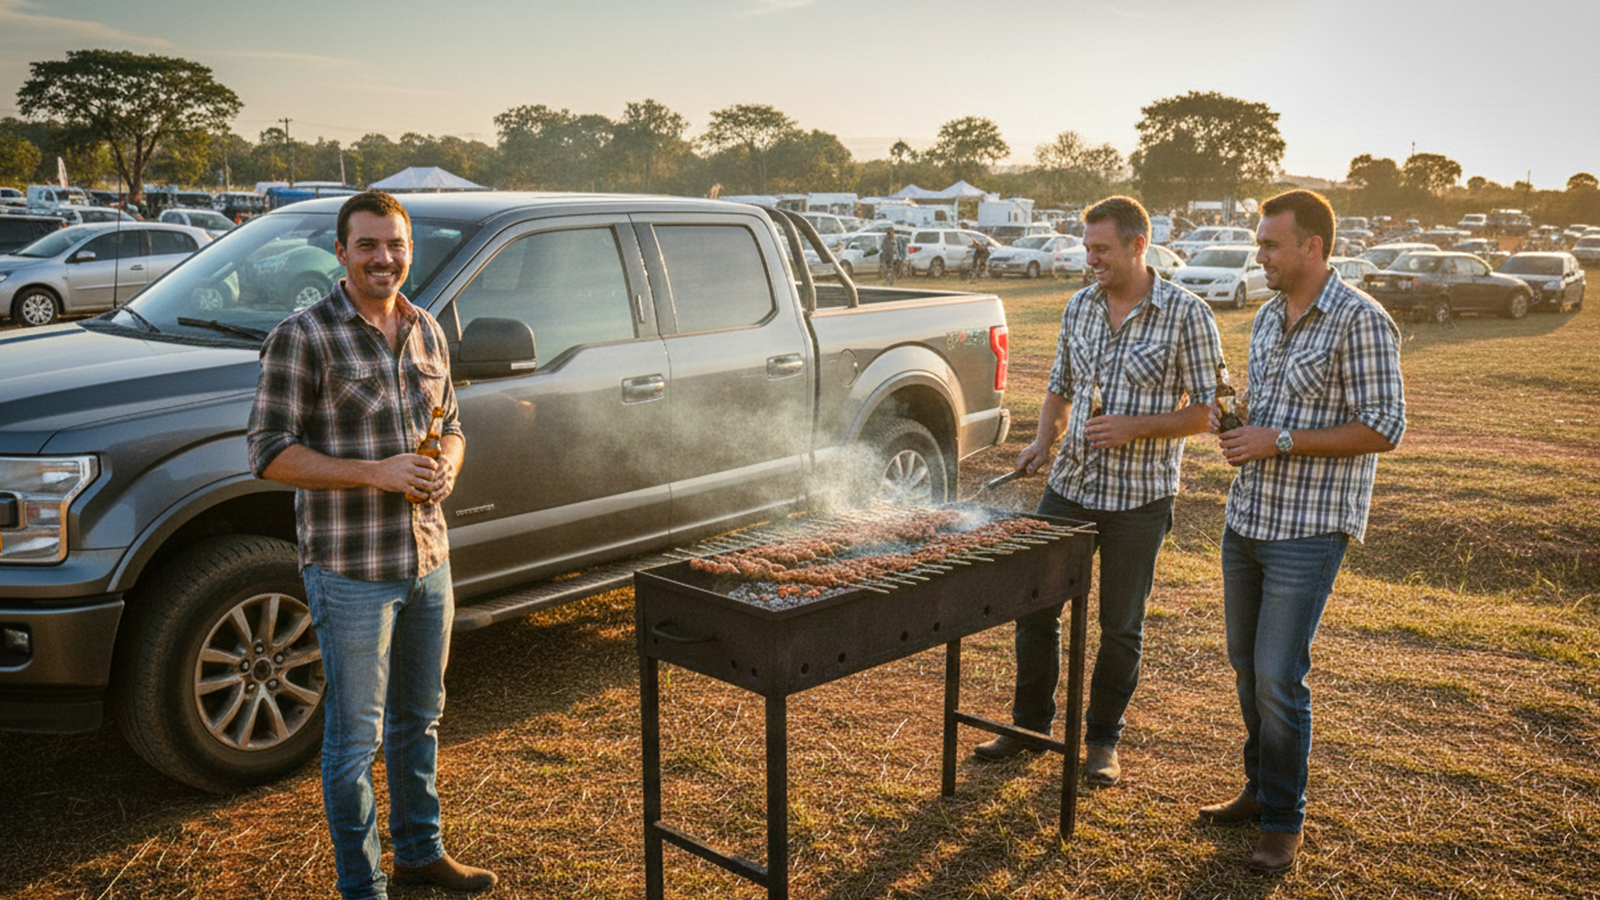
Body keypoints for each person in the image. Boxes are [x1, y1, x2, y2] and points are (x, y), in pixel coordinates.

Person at [247, 191, 495, 899]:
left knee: (420, 721)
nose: (384, 258)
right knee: (354, 741)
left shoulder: (426, 328)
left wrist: (450, 463)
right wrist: (375, 473)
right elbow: (267, 453)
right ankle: (363, 887)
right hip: (351, 570)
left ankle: (420, 852)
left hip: (428, 559)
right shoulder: (303, 336)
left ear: (409, 250)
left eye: (395, 245)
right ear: (341, 252)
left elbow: (452, 423)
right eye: (368, 245)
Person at [974, 196, 1224, 790]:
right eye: (1087, 248)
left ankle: (1102, 739)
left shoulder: (1187, 314)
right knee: (1035, 607)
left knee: (1120, 626)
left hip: (1140, 499)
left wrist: (1137, 426)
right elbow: (1060, 386)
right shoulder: (1080, 306)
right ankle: (1029, 726)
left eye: (1102, 249)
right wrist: (1043, 441)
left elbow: (1211, 410)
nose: (1091, 260)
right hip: (1070, 486)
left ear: (1138, 245)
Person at [1201, 189, 1405, 873]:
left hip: (1309, 528)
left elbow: (1385, 427)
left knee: (1278, 677)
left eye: (1270, 244)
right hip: (1248, 517)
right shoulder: (1266, 315)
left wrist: (1279, 439)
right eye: (1259, 243)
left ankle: (1284, 822)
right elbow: (1265, 409)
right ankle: (1260, 790)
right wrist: (1233, 421)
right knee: (1246, 666)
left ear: (1312, 247)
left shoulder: (1361, 319)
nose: (1258, 255)